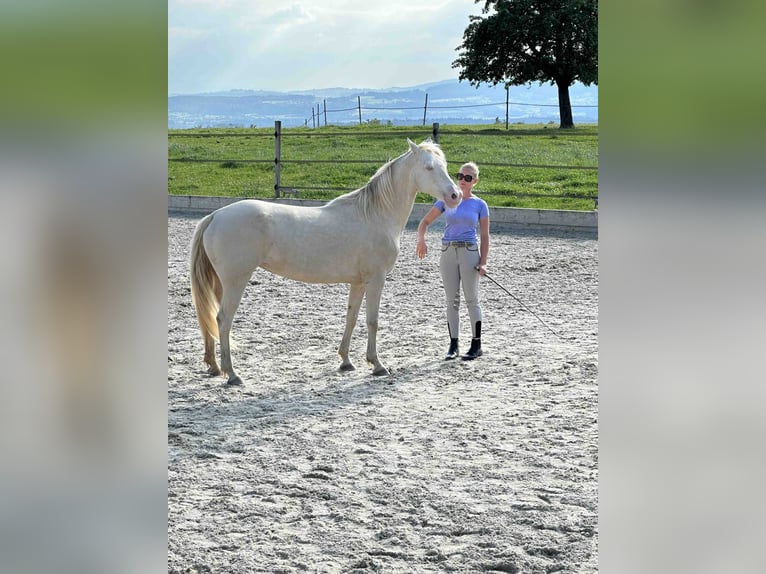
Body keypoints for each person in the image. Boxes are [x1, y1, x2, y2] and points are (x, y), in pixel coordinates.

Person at [416, 161, 490, 360]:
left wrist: (483, 261)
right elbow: (424, 222)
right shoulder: (446, 200)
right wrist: (421, 239)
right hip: (447, 252)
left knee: (471, 299)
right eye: (460, 176)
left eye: (468, 178)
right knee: (451, 301)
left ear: (475, 181)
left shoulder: (480, 204)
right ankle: (453, 344)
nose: (463, 180)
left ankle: (476, 344)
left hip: (469, 252)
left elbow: (485, 235)